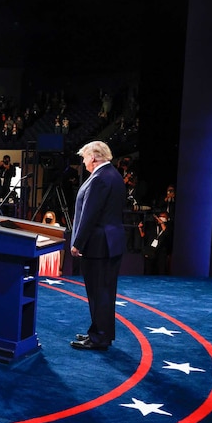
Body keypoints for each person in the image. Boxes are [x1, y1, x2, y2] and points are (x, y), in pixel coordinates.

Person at [70, 141, 125, 351]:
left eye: (84, 158)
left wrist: (77, 242)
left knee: (99, 292)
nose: (83, 162)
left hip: (99, 245)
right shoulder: (113, 174)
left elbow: (89, 215)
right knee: (104, 292)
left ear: (93, 157)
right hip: (109, 243)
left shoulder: (100, 178)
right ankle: (101, 333)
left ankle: (99, 337)